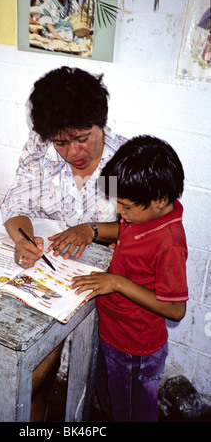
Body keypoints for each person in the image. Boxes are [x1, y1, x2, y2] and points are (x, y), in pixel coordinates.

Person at [1, 66, 126, 421]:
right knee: (33, 350)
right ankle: (28, 416)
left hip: (100, 279)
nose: (73, 152)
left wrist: (92, 230)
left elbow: (132, 226)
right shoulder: (40, 147)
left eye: (83, 137)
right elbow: (16, 203)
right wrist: (23, 239)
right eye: (61, 142)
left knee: (98, 381)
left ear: (100, 123)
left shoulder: (123, 162)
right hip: (50, 267)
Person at [71, 135, 189, 422]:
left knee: (133, 413)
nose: (120, 214)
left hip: (135, 350)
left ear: (160, 200)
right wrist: (92, 230)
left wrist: (118, 282)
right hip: (114, 334)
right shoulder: (146, 215)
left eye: (125, 206)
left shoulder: (169, 242)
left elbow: (176, 310)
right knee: (114, 401)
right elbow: (123, 230)